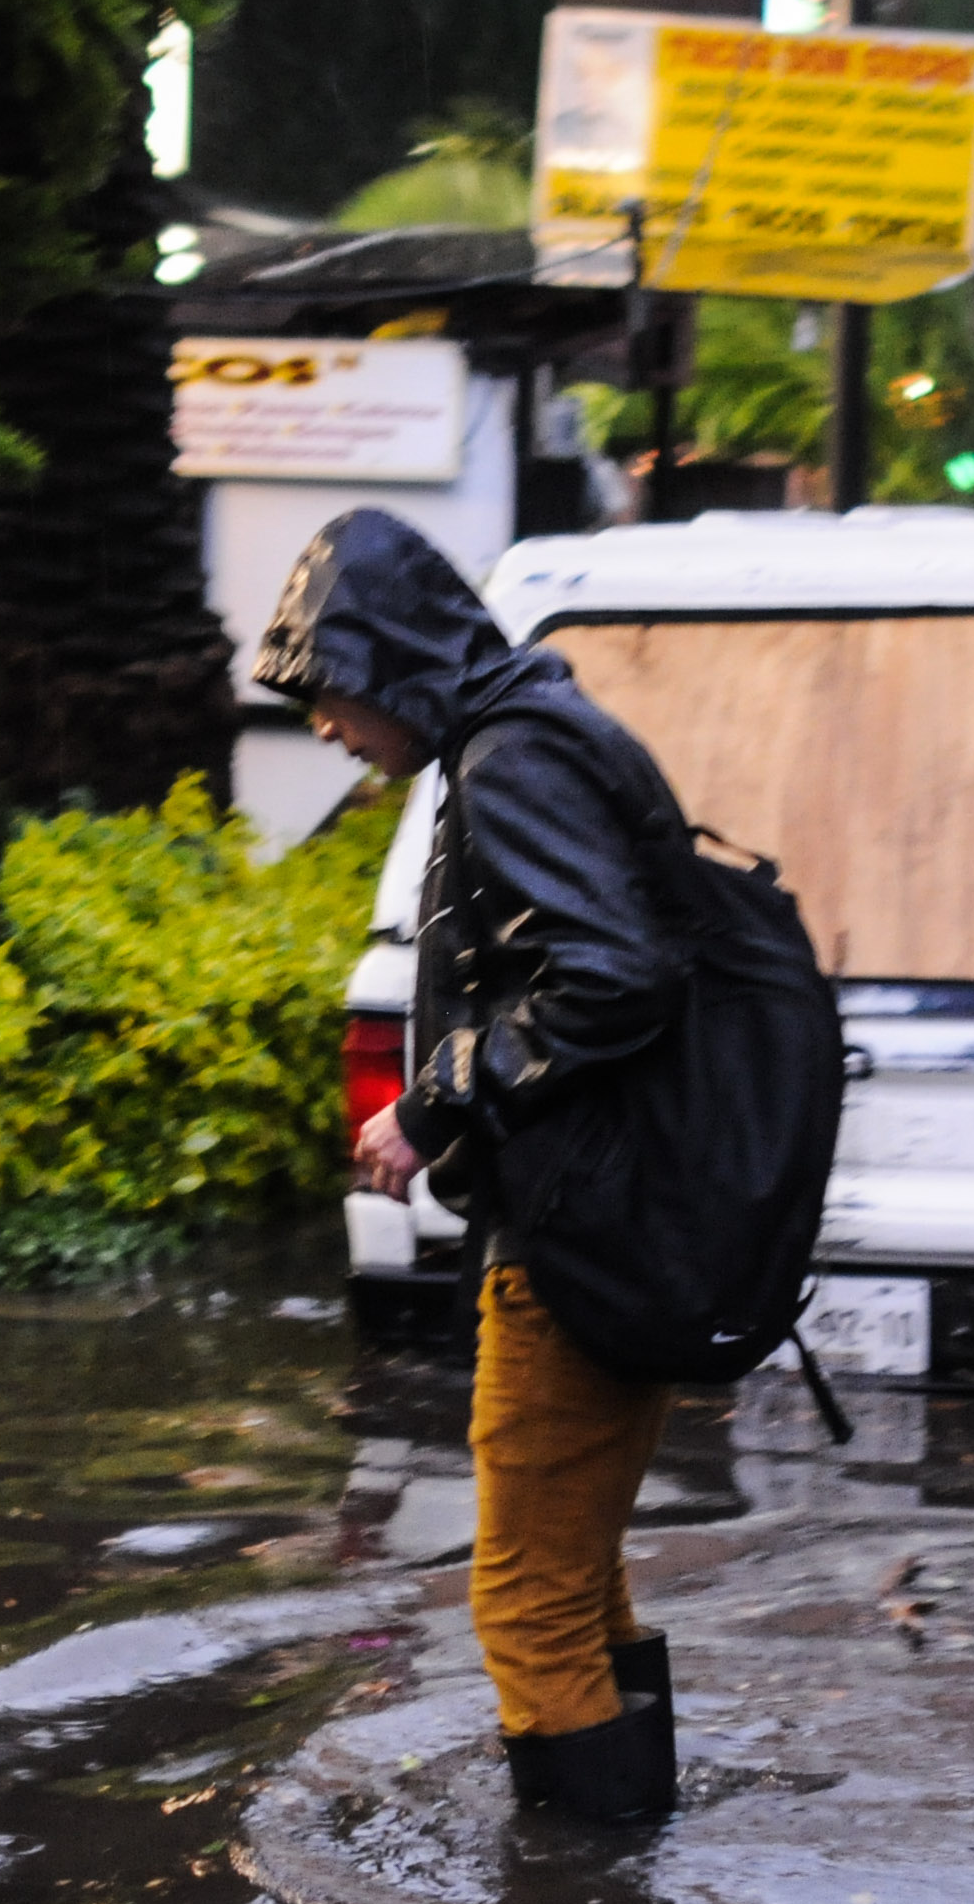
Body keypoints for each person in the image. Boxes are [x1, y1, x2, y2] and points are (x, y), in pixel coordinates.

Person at [255, 509, 691, 1824]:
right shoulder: (536, 736)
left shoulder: (511, 760)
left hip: (573, 1234)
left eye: (328, 693)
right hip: (621, 1215)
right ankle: (633, 1866)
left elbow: (613, 976)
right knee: (581, 1576)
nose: (327, 726)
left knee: (522, 1600)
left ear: (387, 663)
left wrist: (434, 1106)